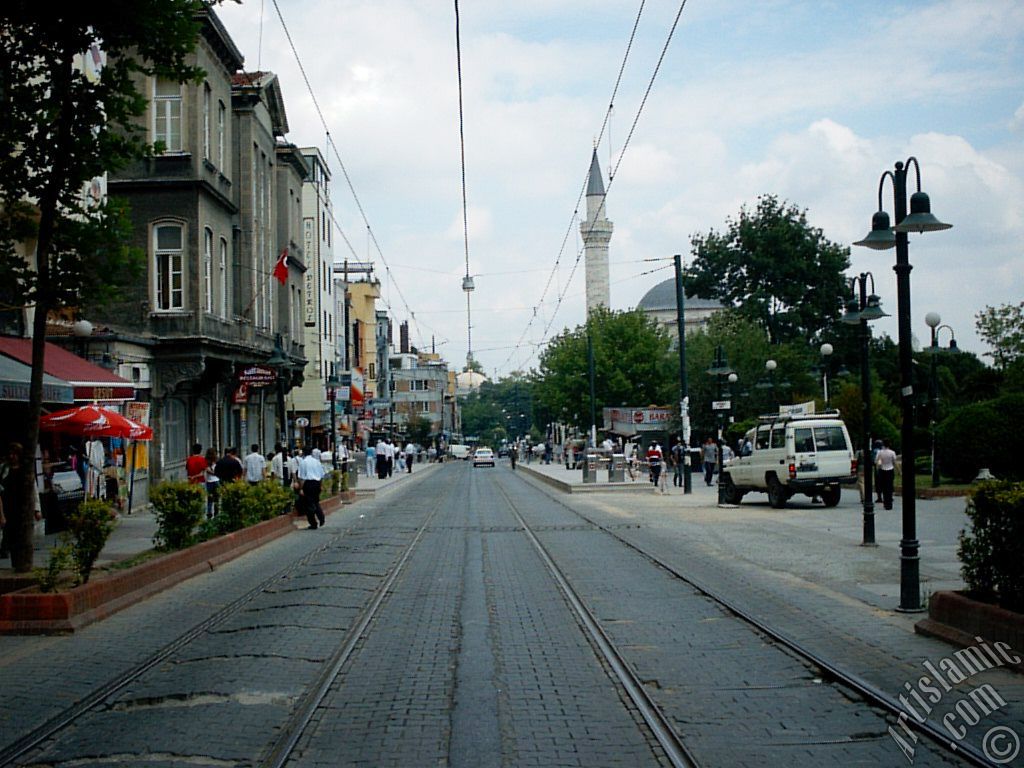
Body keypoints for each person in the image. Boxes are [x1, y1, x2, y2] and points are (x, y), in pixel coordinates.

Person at [298, 448, 326, 529]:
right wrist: (320, 485)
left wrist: (301, 488)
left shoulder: (303, 462)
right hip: (316, 483)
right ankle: (321, 517)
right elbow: (321, 475)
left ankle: (313, 523)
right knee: (316, 501)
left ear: (303, 453)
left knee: (308, 504)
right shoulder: (316, 461)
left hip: (308, 484)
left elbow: (302, 477)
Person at [875, 439, 899, 511]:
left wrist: (877, 469)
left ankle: (885, 503)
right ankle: (889, 502)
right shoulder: (892, 452)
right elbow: (895, 462)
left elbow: (877, 461)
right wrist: (899, 471)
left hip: (882, 470)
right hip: (890, 470)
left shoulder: (880, 452)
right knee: (890, 486)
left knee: (884, 487)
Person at [203, 447, 220, 519]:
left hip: (209, 482)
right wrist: (216, 473)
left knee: (210, 499)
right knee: (216, 498)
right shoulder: (217, 460)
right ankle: (216, 513)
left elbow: (207, 470)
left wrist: (212, 473)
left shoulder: (206, 461)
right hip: (216, 481)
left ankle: (209, 513)